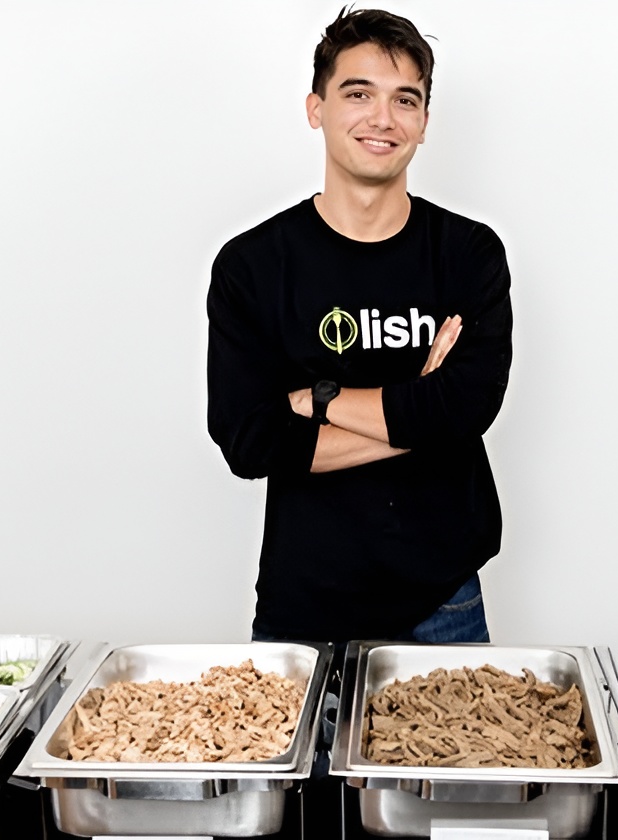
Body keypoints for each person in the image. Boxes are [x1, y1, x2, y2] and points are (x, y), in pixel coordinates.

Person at [207, 6, 513, 644]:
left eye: (406, 99)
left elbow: (469, 407)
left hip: (445, 598)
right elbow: (250, 442)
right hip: (305, 599)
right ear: (316, 108)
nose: (383, 118)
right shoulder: (253, 265)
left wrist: (315, 400)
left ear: (425, 123)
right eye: (358, 93)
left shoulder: (469, 254)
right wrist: (423, 411)